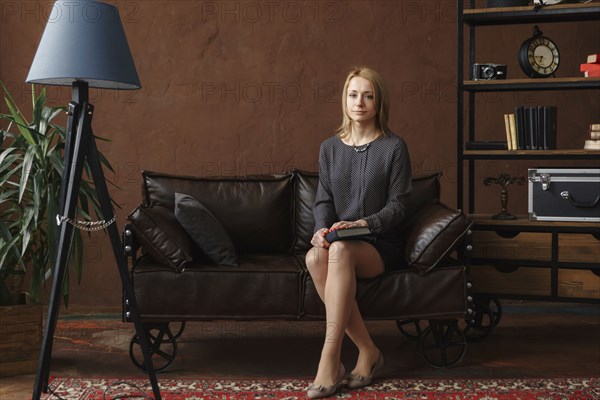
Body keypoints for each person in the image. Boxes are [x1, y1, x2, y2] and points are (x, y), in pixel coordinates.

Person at [305, 66, 412, 398]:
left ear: (379, 103)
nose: (360, 102)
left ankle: (330, 358)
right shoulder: (329, 148)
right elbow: (323, 199)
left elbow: (400, 205)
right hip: (341, 239)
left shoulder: (394, 147)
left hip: (380, 241)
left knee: (338, 252)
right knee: (313, 257)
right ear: (345, 100)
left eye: (368, 95)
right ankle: (368, 351)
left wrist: (365, 223)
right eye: (353, 95)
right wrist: (322, 229)